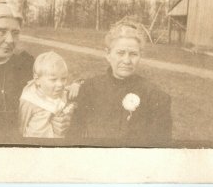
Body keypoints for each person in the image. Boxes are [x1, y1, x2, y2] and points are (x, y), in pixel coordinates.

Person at [0, 0, 75, 145]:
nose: (10, 40)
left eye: (15, 33)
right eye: (1, 31)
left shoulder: (28, 65)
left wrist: (62, 120)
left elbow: (58, 92)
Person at [68, 19, 172, 147]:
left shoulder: (155, 97)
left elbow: (161, 147)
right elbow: (73, 136)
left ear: (141, 55)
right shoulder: (89, 89)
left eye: (133, 54)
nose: (127, 60)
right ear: (108, 54)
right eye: (120, 53)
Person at [19, 51, 77, 138]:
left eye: (63, 79)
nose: (60, 84)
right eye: (53, 80)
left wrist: (76, 84)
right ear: (37, 80)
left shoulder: (61, 92)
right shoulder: (30, 99)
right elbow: (21, 123)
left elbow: (70, 95)